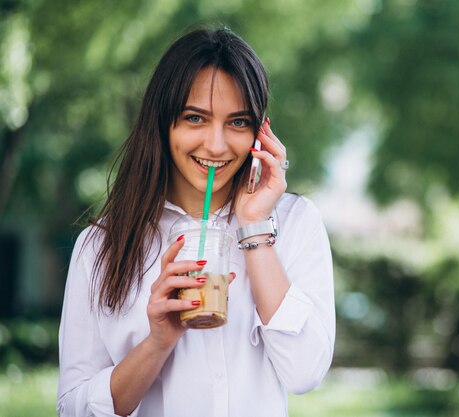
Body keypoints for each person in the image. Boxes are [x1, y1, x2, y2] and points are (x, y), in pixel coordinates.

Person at [57, 27, 335, 417]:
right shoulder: (101, 246)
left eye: (238, 122)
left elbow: (305, 373)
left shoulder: (293, 222)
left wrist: (253, 228)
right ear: (162, 122)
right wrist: (156, 342)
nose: (217, 145)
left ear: (260, 132)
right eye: (195, 118)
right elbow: (73, 409)